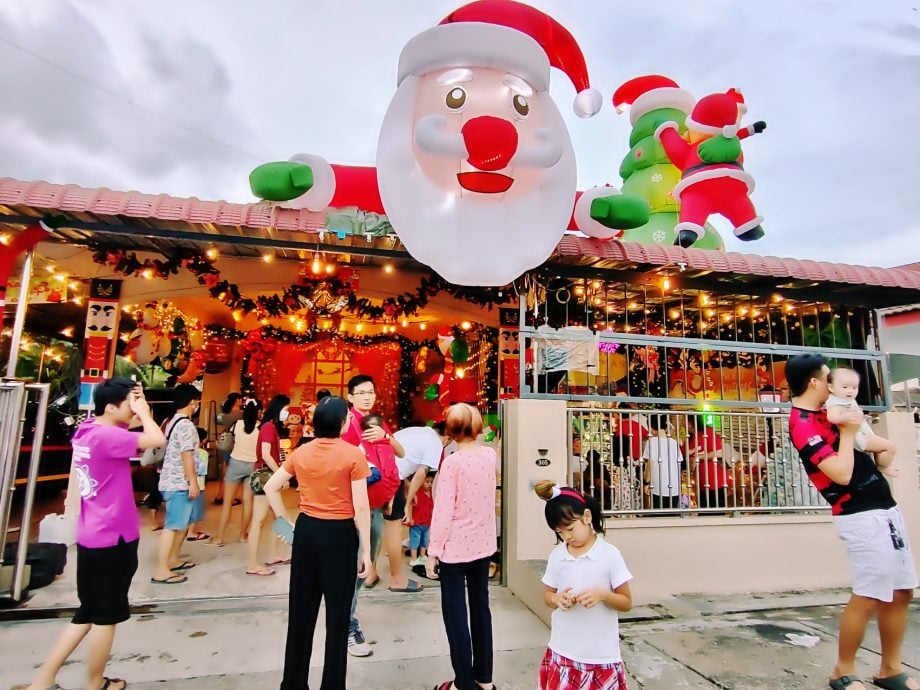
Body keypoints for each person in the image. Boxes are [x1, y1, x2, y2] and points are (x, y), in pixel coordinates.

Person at [14, 378, 165, 690]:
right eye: (128, 404)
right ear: (111, 407)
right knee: (105, 617)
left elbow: (129, 432)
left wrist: (134, 407)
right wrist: (146, 413)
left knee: (88, 611)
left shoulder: (87, 431)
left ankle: (42, 680)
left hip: (92, 535)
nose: (134, 408)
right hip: (114, 537)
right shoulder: (109, 436)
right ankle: (95, 683)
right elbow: (156, 439)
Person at [787, 353, 917, 690]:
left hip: (884, 507)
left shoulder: (834, 410)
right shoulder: (802, 423)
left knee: (901, 591)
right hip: (858, 514)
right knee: (870, 593)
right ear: (815, 382)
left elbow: (870, 444)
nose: (837, 385)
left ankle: (890, 668)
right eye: (829, 377)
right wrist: (848, 432)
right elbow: (841, 474)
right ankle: (842, 671)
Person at [263, 396, 372, 690]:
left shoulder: (301, 452)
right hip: (339, 535)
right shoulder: (353, 455)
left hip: (307, 531)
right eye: (347, 417)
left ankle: (294, 683)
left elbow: (270, 486)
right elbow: (361, 507)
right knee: (337, 619)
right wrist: (368, 552)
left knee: (301, 613)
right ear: (340, 423)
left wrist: (284, 521)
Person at [533, 481, 633, 690]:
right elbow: (547, 595)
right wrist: (556, 598)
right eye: (560, 532)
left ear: (587, 517)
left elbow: (626, 602)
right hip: (562, 650)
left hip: (600, 655)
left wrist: (603, 595)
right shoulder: (558, 555)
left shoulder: (609, 555)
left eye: (570, 528)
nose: (567, 536)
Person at [343, 374, 416, 657]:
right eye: (360, 393)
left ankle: (345, 617)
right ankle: (346, 625)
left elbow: (400, 452)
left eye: (370, 392)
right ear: (350, 397)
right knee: (354, 568)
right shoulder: (346, 425)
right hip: (353, 510)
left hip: (376, 507)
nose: (366, 397)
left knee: (364, 567)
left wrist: (385, 436)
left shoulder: (377, 422)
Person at [426, 403, 498, 690]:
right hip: (482, 545)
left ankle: (463, 683)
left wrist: (433, 552)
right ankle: (485, 679)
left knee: (455, 615)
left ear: (451, 430)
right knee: (481, 609)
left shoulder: (452, 462)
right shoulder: (489, 456)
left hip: (455, 549)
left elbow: (443, 511)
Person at [152, 384, 202, 584]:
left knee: (180, 523)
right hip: (178, 482)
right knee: (172, 526)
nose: (197, 404)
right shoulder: (186, 425)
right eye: (196, 401)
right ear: (191, 402)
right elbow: (186, 455)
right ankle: (161, 570)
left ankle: (173, 559)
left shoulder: (172, 422)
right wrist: (193, 482)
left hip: (170, 480)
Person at [246, 394, 291, 576]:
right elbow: (266, 454)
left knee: (275, 517)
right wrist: (282, 474)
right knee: (265, 519)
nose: (287, 413)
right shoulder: (268, 427)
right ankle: (252, 564)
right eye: (286, 409)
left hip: (267, 477)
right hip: (266, 477)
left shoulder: (270, 427)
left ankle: (273, 554)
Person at [210, 399, 261, 546]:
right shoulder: (261, 427)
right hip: (252, 465)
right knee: (248, 501)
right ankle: (243, 535)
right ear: (258, 411)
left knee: (227, 502)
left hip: (235, 463)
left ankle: (219, 537)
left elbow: (228, 439)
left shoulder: (237, 425)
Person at [826, 367, 897, 472]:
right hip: (858, 437)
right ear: (831, 387)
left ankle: (880, 464)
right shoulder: (835, 402)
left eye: (854, 387)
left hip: (862, 432)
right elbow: (831, 417)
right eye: (845, 387)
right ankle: (883, 466)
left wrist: (862, 417)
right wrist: (845, 417)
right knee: (890, 447)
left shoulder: (845, 399)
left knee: (880, 448)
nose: (850, 391)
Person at [393, 421, 449, 528]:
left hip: (374, 468)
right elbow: (421, 474)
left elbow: (402, 460)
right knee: (394, 524)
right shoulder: (436, 443)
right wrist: (408, 504)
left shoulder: (419, 431)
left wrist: (407, 486)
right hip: (389, 476)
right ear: (447, 438)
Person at [642, 415, 683, 511]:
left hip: (658, 487)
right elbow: (679, 465)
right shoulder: (674, 443)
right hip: (674, 488)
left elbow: (649, 465)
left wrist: (646, 483)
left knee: (659, 518)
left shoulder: (651, 442)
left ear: (651, 427)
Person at [687, 416, 730, 510]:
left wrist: (698, 457)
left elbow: (719, 452)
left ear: (690, 423)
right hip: (701, 483)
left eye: (683, 421)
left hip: (715, 482)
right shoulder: (691, 438)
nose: (682, 424)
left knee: (716, 511)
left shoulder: (708, 432)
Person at [214, 393, 244, 505]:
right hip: (235, 444)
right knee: (233, 472)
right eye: (241, 399)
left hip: (225, 443)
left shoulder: (225, 414)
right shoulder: (241, 414)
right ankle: (229, 497)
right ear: (237, 400)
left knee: (225, 469)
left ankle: (220, 494)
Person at [185, 427, 211, 541]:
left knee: (187, 509)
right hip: (198, 485)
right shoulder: (203, 453)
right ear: (204, 440)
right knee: (197, 511)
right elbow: (201, 471)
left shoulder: (185, 452)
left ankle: (185, 530)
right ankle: (191, 532)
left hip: (184, 484)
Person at [408, 471, 435, 567]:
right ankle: (413, 559)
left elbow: (431, 506)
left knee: (424, 541)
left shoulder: (430, 493)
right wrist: (410, 518)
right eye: (427, 482)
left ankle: (422, 556)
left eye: (431, 482)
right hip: (416, 523)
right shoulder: (416, 492)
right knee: (415, 542)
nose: (429, 484)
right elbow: (410, 506)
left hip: (426, 523)